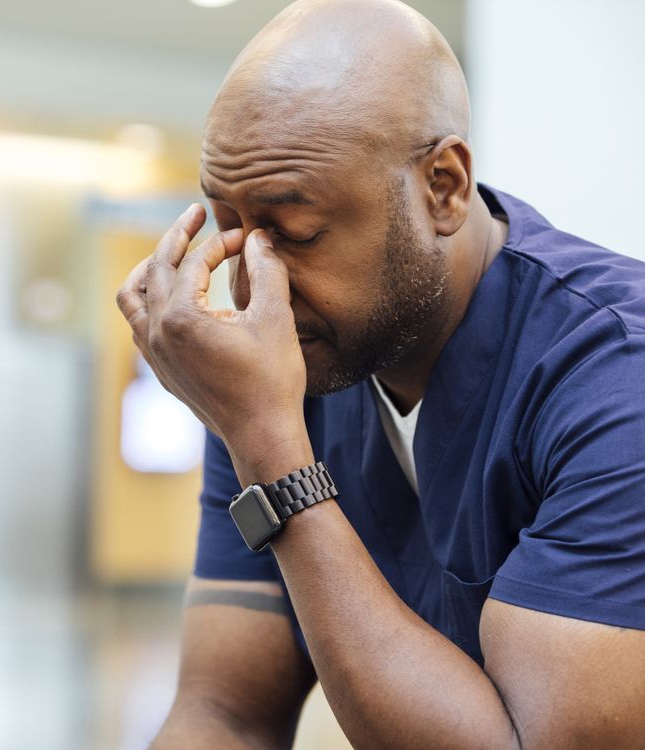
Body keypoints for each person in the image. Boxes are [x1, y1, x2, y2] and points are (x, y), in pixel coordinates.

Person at [115, 0, 645, 747]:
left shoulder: (616, 376)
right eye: (232, 230)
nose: (251, 287)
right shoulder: (276, 367)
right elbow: (226, 714)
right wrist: (259, 428)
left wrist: (273, 452)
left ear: (444, 188)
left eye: (295, 234)